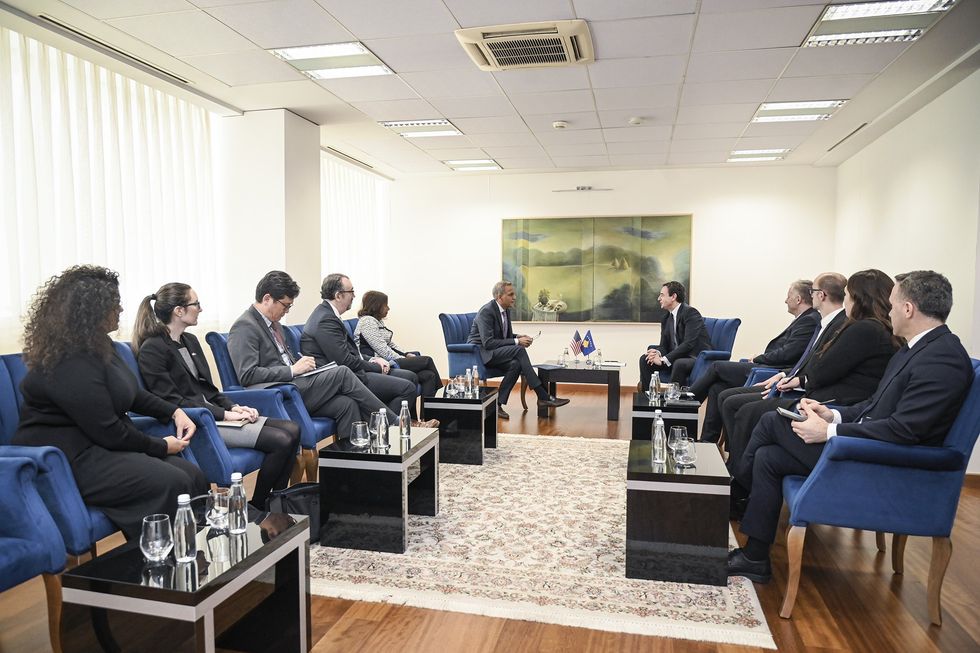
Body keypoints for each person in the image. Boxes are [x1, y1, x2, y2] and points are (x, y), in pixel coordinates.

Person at [727, 270, 973, 583]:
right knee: (769, 457)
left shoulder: (943, 359)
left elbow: (903, 431)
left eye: (893, 305)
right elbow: (873, 405)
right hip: (867, 448)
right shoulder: (916, 349)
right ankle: (755, 557)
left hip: (885, 468)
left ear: (909, 308)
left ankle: (729, 493)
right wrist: (833, 415)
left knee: (772, 420)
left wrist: (829, 432)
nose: (889, 311)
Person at [12, 265, 207, 540]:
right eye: (115, 303)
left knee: (193, 476)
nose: (121, 309)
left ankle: (191, 551)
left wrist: (174, 411)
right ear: (93, 310)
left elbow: (132, 394)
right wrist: (161, 446)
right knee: (173, 482)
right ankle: (156, 558)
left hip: (101, 446)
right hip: (68, 458)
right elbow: (108, 430)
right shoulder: (67, 359)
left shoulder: (100, 344)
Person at [133, 282, 301, 510]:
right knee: (282, 440)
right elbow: (172, 401)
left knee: (293, 429)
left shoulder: (189, 341)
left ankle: (276, 501)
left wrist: (233, 407)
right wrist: (224, 414)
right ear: (179, 311)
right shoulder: (153, 349)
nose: (200, 309)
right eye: (196, 304)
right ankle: (260, 505)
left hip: (214, 415)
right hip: (198, 422)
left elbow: (208, 389)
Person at [724, 269, 902, 474]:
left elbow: (819, 370)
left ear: (859, 299)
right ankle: (736, 478)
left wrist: (802, 377)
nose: (845, 302)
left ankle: (737, 476)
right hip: (834, 402)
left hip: (831, 403)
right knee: (765, 450)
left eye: (848, 296)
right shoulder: (882, 329)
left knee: (747, 412)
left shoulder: (864, 329)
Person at [227, 270, 397, 440]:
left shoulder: (275, 324)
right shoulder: (245, 326)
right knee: (342, 372)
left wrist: (303, 366)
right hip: (278, 393)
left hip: (296, 385)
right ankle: (392, 422)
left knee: (346, 404)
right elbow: (247, 375)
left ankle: (353, 455)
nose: (287, 311)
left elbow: (284, 360)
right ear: (267, 299)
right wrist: (293, 370)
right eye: (285, 305)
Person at [716, 272, 848, 453]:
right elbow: (808, 362)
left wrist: (793, 379)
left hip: (803, 393)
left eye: (812, 292)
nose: (810, 296)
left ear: (821, 295)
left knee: (732, 399)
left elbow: (818, 368)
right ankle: (723, 452)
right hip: (789, 379)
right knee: (721, 391)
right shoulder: (825, 322)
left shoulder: (836, 325)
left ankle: (735, 462)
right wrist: (785, 375)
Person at [690, 280, 820, 442]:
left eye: (788, 296)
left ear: (798, 299)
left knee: (717, 367)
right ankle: (708, 441)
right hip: (767, 366)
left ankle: (687, 401)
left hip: (770, 371)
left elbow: (788, 354)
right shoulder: (805, 319)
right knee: (717, 388)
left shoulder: (809, 320)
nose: (785, 300)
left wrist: (758, 358)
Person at [301, 274, 435, 427]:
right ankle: (387, 429)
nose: (354, 296)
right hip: (344, 379)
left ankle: (397, 427)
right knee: (407, 388)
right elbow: (344, 360)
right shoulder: (325, 319)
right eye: (351, 291)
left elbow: (350, 353)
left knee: (410, 378)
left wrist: (373, 359)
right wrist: (376, 367)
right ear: (338, 295)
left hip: (352, 371)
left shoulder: (329, 314)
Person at [467, 281, 569, 420]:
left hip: (494, 351)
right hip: (481, 354)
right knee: (519, 350)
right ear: (499, 296)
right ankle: (543, 396)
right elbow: (488, 343)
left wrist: (517, 337)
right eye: (510, 294)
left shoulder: (505, 310)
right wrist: (517, 342)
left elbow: (504, 336)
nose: (514, 297)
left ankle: (497, 405)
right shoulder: (487, 311)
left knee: (515, 364)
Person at [354, 290, 443, 397]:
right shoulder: (367, 322)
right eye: (385, 305)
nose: (388, 308)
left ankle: (428, 408)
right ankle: (445, 394)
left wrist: (405, 354)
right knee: (427, 360)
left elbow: (390, 344)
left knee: (429, 376)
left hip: (388, 359)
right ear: (377, 305)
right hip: (380, 363)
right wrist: (402, 359)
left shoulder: (377, 321)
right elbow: (382, 349)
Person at [638, 281, 711, 388]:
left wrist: (664, 360)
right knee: (645, 359)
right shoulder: (666, 318)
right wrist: (657, 353)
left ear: (673, 297)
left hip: (696, 358)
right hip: (676, 358)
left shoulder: (690, 313)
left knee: (679, 363)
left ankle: (673, 397)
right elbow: (664, 345)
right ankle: (648, 396)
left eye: (662, 295)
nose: (659, 298)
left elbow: (688, 344)